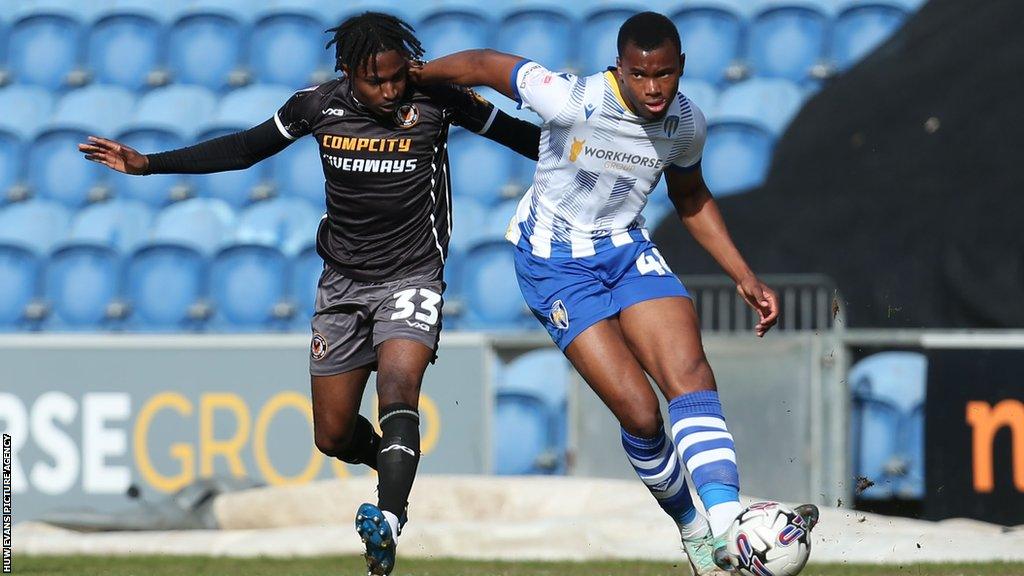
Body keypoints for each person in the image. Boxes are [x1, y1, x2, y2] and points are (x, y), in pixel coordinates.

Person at [78, 12, 540, 576]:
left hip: (413, 275)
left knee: (399, 387)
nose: (392, 91)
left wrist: (596, 158)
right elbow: (247, 148)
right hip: (342, 284)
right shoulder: (316, 106)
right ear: (347, 72)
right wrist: (150, 164)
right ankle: (392, 462)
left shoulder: (439, 99)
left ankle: (388, 520)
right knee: (332, 435)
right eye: (378, 82)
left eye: (399, 78)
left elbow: (520, 137)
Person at [410, 11, 817, 574]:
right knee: (642, 415)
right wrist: (415, 76)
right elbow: (482, 65)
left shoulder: (688, 122)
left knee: (691, 376)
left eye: (666, 75)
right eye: (641, 75)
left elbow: (691, 195)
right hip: (553, 264)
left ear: (682, 69)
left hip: (626, 251)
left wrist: (743, 275)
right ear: (619, 68)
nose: (654, 88)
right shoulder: (569, 99)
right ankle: (694, 530)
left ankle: (729, 529)